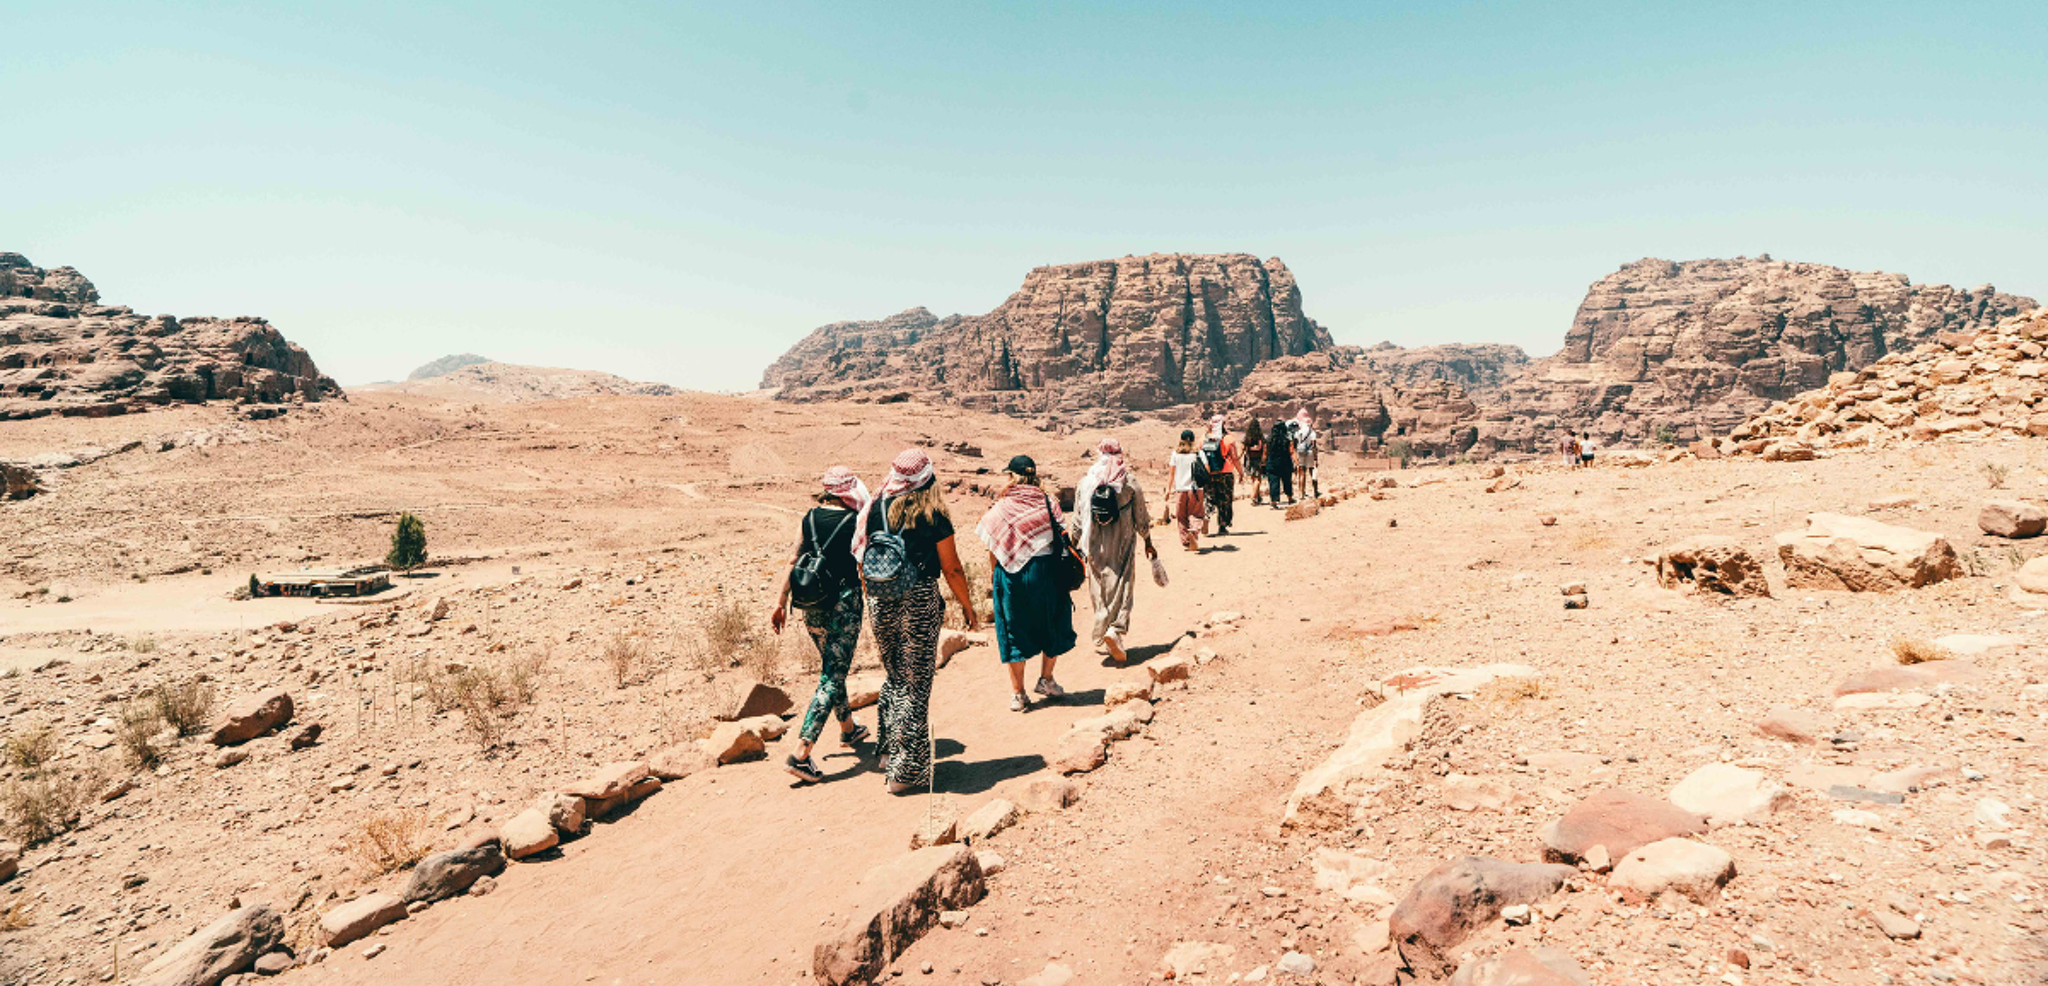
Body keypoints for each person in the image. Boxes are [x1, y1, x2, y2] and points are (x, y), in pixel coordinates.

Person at [858, 449, 980, 794]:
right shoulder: (933, 513)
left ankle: (887, 753)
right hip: (919, 599)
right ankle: (905, 773)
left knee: (896, 675)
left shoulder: (876, 506)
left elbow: (862, 553)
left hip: (880, 599)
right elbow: (952, 568)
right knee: (916, 684)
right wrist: (968, 609)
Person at [771, 466, 872, 784]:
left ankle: (848, 729)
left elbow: (792, 558)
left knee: (832, 668)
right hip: (843, 605)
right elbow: (863, 564)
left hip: (810, 603)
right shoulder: (855, 520)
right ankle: (801, 753)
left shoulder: (809, 517)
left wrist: (779, 602)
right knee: (832, 675)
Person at [975, 455, 1079, 711]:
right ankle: (1046, 680)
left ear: (1012, 476)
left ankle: (1018, 694)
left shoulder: (1002, 506)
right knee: (1053, 622)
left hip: (1010, 575)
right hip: (1047, 572)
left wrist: (994, 575)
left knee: (1013, 630)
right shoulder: (1048, 501)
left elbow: (992, 543)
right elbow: (1063, 535)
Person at [1072, 437, 1155, 664]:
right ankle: (1115, 630)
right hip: (1123, 543)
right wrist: (1148, 540)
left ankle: (1102, 621)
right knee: (1123, 582)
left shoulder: (1086, 483)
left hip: (1095, 546)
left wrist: (1074, 544)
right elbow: (1141, 516)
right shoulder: (1128, 482)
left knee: (1099, 584)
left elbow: (1078, 520)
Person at [1167, 429, 1206, 550]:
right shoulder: (1199, 453)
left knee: (1181, 517)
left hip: (1181, 489)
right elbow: (1207, 469)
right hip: (1196, 489)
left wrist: (1168, 490)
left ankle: (1186, 542)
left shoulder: (1175, 455)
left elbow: (1171, 474)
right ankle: (1193, 532)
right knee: (1196, 514)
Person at [1200, 415, 1238, 536]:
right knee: (1225, 499)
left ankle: (1206, 515)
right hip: (1225, 473)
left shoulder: (1203, 439)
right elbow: (1235, 458)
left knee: (1209, 497)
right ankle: (1222, 526)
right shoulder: (1229, 439)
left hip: (1209, 473)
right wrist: (1241, 472)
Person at [1264, 419, 1294, 507]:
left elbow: (1265, 452)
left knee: (1273, 482)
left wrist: (1263, 463)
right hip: (1285, 462)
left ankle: (1274, 501)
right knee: (1287, 481)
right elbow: (1291, 451)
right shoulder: (1287, 439)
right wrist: (1296, 462)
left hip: (1272, 463)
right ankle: (1290, 498)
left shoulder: (1269, 439)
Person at [1292, 409, 1321, 499]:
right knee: (1312, 471)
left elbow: (1295, 443)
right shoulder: (1311, 432)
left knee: (1301, 472)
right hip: (1309, 452)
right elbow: (1314, 445)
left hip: (1300, 451)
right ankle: (1315, 491)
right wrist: (1316, 459)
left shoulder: (1298, 431)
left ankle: (1301, 493)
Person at [1242, 418, 1266, 506]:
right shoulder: (1260, 437)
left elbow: (1243, 448)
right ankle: (1254, 497)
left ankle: (1257, 496)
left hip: (1250, 459)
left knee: (1253, 479)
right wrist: (1263, 461)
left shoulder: (1248, 437)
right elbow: (1265, 449)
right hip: (1258, 459)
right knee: (1258, 479)